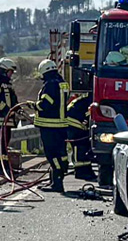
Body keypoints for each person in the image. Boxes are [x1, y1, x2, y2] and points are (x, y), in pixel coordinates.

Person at [33, 58, 70, 193]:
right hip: (61, 125)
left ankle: (57, 183)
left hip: (49, 126)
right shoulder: (63, 83)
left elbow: (45, 104)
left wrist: (34, 105)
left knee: (51, 154)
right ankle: (55, 179)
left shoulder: (50, 85)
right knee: (60, 152)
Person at [65, 82, 96, 182]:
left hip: (75, 122)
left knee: (83, 146)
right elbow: (88, 115)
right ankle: (81, 172)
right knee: (79, 146)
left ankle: (86, 170)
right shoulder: (91, 101)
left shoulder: (86, 99)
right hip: (73, 124)